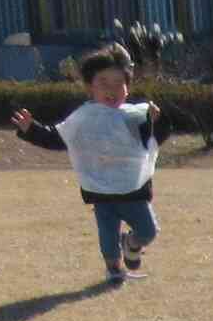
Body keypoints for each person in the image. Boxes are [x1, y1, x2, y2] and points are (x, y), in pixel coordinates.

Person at [9, 49, 176, 283]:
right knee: (107, 235)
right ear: (90, 87)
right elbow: (59, 138)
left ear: (127, 88)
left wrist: (159, 122)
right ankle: (114, 269)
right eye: (104, 83)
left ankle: (131, 243)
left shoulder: (135, 116)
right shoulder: (84, 117)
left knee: (148, 231)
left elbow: (154, 140)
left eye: (119, 83)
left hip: (133, 189)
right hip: (100, 190)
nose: (112, 89)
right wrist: (32, 129)